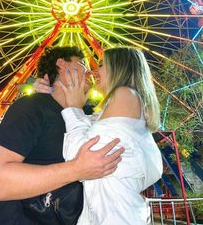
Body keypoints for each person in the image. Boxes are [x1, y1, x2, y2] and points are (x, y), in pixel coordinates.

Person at [0, 46, 124, 225]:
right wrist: (76, 169)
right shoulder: (30, 108)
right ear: (61, 64)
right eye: (83, 65)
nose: (91, 72)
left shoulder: (90, 118)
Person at [58, 46, 163, 225]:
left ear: (118, 67)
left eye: (101, 65)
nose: (93, 70)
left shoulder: (124, 94)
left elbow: (79, 155)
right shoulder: (124, 104)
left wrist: (73, 109)